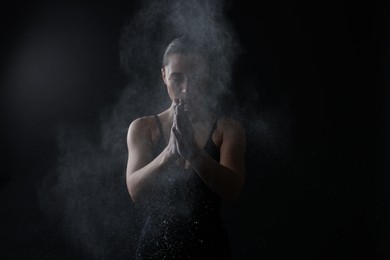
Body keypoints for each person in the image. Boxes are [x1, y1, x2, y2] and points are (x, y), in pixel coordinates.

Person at [125, 37, 246, 259]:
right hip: (155, 251)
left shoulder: (227, 129)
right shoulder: (143, 127)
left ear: (207, 75)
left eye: (196, 77)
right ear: (164, 75)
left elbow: (233, 189)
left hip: (210, 250)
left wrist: (194, 154)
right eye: (177, 78)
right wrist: (169, 152)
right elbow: (135, 190)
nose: (186, 89)